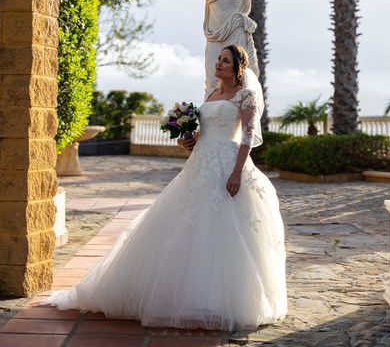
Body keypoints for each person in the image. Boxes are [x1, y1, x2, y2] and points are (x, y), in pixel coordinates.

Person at [45, 44, 287, 331]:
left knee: (224, 227)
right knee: (184, 222)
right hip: (200, 163)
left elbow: (247, 137)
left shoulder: (245, 96)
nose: (218, 64)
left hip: (228, 164)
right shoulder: (210, 94)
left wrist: (236, 173)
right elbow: (203, 133)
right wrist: (186, 140)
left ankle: (219, 300)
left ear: (237, 68)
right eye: (218, 59)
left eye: (225, 61)